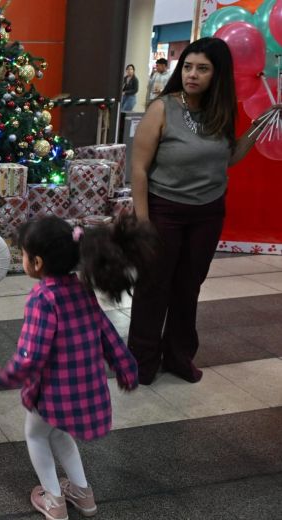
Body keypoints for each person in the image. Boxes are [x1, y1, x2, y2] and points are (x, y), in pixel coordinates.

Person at [129, 37, 281, 385]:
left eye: (202, 68)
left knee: (188, 287)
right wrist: (143, 222)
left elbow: (227, 158)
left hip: (208, 213)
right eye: (187, 67)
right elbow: (138, 168)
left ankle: (179, 356)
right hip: (164, 210)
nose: (192, 75)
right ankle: (141, 360)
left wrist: (259, 126)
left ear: (217, 75)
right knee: (154, 286)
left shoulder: (219, 112)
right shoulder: (162, 108)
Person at [0, 215, 156, 520]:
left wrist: (5, 376)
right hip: (85, 387)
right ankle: (83, 494)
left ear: (36, 262)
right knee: (61, 435)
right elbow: (106, 330)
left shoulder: (43, 298)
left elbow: (31, 355)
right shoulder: (81, 289)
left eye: (23, 254)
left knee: (36, 435)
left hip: (53, 392)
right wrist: (126, 366)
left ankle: (53, 500)